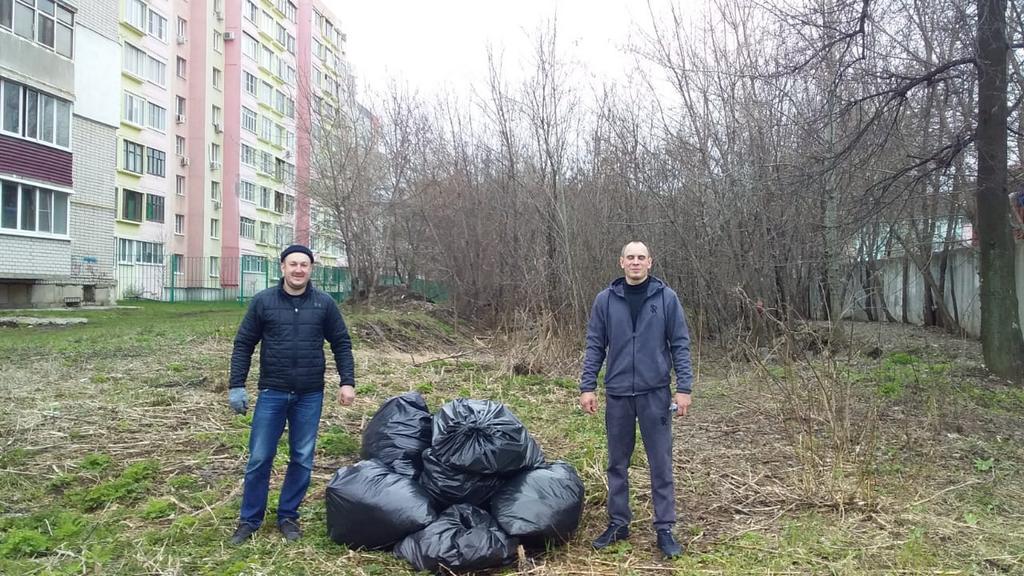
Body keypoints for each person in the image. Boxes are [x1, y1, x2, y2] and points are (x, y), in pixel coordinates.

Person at [227, 244, 356, 544]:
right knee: (260, 458)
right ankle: (250, 520)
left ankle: (288, 517)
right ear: (282, 267)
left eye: (304, 265)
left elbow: (341, 343)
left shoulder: (324, 304)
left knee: (302, 457)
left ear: (311, 269)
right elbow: (244, 344)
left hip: (310, 395)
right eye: (293, 264)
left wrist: (346, 382)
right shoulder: (263, 302)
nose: (298, 269)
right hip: (272, 392)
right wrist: (236, 385)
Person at [579, 241, 693, 559]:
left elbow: (680, 344)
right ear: (621, 262)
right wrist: (587, 387)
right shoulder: (605, 300)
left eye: (641, 257)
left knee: (661, 464)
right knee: (617, 463)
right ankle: (618, 523)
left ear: (650, 263)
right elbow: (594, 346)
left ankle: (665, 528)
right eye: (630, 257)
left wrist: (684, 388)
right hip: (617, 395)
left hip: (655, 393)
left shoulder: (666, 299)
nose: (635, 262)